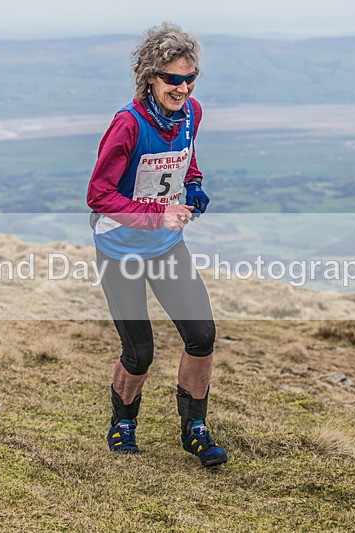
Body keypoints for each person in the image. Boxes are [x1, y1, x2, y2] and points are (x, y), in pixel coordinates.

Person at [86, 22, 227, 467]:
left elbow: (186, 154)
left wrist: (195, 183)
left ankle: (195, 430)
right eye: (173, 79)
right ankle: (123, 423)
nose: (183, 88)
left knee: (202, 335)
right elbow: (99, 196)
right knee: (140, 350)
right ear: (150, 77)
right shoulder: (128, 125)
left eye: (190, 79)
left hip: (166, 246)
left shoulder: (192, 114)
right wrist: (155, 213)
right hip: (120, 248)